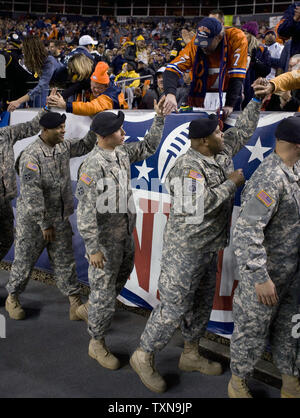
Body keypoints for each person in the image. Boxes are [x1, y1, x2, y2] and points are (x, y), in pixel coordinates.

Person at [130, 95, 266, 394]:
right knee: (174, 307)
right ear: (203, 141)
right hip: (186, 250)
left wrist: (258, 99)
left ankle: (190, 353)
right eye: (218, 132)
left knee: (202, 303)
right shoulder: (187, 168)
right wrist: (231, 183)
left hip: (208, 246)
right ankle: (143, 354)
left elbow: (242, 131)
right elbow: (196, 205)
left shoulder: (218, 151)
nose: (223, 134)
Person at [74, 97, 166, 370]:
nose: (124, 133)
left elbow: (149, 146)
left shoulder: (121, 153)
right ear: (103, 136)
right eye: (118, 130)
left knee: (115, 285)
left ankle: (91, 310)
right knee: (104, 292)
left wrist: (159, 118)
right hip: (104, 243)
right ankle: (96, 342)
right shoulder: (92, 166)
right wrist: (93, 248)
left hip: (124, 237)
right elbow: (85, 212)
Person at [228, 116, 300, 398]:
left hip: (291, 274)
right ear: (296, 145)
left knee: (290, 331)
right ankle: (238, 382)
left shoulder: (293, 170)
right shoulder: (269, 178)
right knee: (252, 332)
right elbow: (246, 231)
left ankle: (290, 380)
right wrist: (260, 277)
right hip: (266, 278)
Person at [5, 112, 97, 321]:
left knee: (65, 261)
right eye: (59, 128)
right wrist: (45, 224)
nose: (64, 131)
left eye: (64, 127)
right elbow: (31, 194)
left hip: (60, 219)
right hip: (35, 223)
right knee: (24, 261)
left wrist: (96, 126)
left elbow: (84, 146)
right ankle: (13, 297)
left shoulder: (63, 146)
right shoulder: (31, 156)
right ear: (45, 130)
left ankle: (74, 302)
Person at [162, 17, 248, 120]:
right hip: (202, 94)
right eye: (200, 41)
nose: (202, 46)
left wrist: (230, 105)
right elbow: (171, 69)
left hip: (228, 91)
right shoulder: (196, 44)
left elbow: (237, 75)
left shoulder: (236, 37)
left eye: (206, 42)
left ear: (219, 37)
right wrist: (170, 95)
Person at [0, 110, 46, 263]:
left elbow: (31, 127)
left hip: (3, 200)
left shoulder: (5, 134)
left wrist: (45, 109)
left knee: (7, 238)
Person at [47, 61, 128, 116]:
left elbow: (91, 107)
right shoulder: (91, 83)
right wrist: (56, 100)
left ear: (106, 86)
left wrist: (66, 105)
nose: (95, 90)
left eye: (99, 88)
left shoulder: (109, 96)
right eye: (93, 87)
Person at [7, 35, 64, 110]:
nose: (22, 51)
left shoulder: (49, 61)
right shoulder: (36, 61)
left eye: (24, 48)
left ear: (31, 49)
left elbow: (42, 85)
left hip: (65, 93)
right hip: (53, 91)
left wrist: (18, 101)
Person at [241, 22, 271, 108]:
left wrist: (254, 61)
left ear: (252, 35)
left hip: (254, 88)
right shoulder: (238, 49)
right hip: (240, 87)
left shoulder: (262, 49)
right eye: (242, 32)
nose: (243, 34)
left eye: (246, 32)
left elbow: (266, 70)